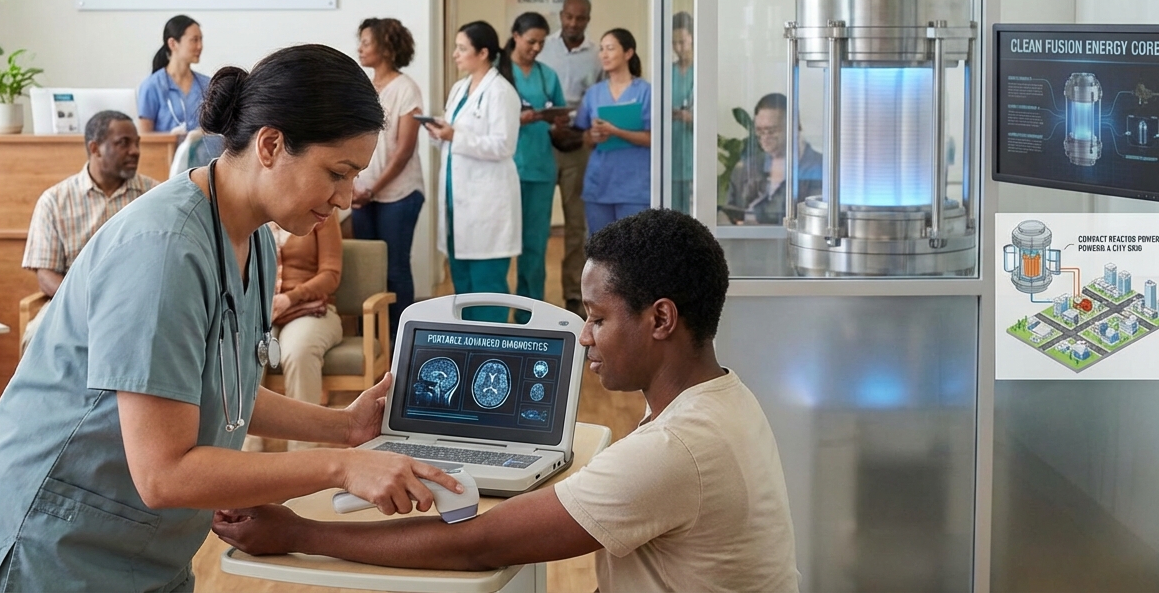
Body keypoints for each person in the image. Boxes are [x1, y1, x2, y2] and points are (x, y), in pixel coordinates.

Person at [0, 45, 463, 592]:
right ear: (270, 144)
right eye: (338, 173)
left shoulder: (255, 241)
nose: (347, 199)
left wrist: (344, 428)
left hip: (138, 550)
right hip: (46, 547)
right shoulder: (164, 250)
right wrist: (341, 466)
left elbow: (219, 388)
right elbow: (164, 472)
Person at [213, 209, 801, 593]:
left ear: (661, 319)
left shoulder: (676, 448)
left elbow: (480, 544)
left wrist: (300, 534)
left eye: (597, 318)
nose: (584, 335)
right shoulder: (723, 398)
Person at [19, 110, 157, 353]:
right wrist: (87, 304)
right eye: (123, 143)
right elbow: (46, 276)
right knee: (35, 338)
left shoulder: (154, 196)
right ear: (95, 148)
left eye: (136, 143)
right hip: (72, 305)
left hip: (138, 303)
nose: (135, 151)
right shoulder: (55, 201)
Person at [424, 21, 521, 324]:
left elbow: (504, 145)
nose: (455, 54)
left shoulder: (501, 92)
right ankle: (469, 348)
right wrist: (440, 133)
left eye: (461, 48)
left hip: (487, 207)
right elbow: (457, 142)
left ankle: (493, 353)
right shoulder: (460, 88)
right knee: (462, 288)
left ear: (483, 53)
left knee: (487, 288)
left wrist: (455, 137)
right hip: (459, 204)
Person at [351, 18, 424, 333]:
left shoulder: (406, 89)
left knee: (395, 269)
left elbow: (403, 151)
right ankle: (371, 342)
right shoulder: (362, 88)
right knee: (365, 272)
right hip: (362, 195)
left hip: (399, 196)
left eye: (366, 42)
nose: (360, 48)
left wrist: (373, 188)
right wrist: (353, 186)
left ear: (385, 47)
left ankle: (400, 343)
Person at [500, 12, 566, 318]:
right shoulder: (497, 73)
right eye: (531, 41)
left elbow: (560, 116)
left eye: (541, 42)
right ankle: (498, 315)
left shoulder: (547, 75)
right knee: (499, 248)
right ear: (515, 36)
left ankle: (530, 316)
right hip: (504, 171)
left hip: (539, 170)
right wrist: (517, 118)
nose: (536, 48)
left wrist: (558, 120)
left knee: (535, 248)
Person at [537, 0, 600, 318]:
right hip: (544, 145)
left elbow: (601, 98)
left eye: (581, 19)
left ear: (588, 19)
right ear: (561, 15)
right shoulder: (543, 48)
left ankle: (574, 295)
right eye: (569, 17)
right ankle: (533, 298)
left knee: (576, 225)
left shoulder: (597, 55)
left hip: (579, 146)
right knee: (537, 224)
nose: (574, 24)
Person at [268, 211, 344, 450]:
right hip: (262, 310)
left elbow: (331, 275)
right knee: (245, 349)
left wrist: (290, 298)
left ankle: (303, 450)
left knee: (299, 352)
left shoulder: (323, 214)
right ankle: (242, 448)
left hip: (312, 310)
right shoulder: (253, 215)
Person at [576, 29, 652, 237]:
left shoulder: (646, 92)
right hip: (599, 184)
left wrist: (616, 131)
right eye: (601, 49)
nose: (604, 55)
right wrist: (594, 136)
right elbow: (584, 137)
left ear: (628, 53)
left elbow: (653, 139)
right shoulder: (594, 93)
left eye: (610, 48)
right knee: (600, 251)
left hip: (635, 187)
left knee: (634, 252)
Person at [726, 93, 822, 225]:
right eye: (759, 131)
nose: (765, 137)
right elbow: (729, 218)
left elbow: (817, 221)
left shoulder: (821, 168)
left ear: (794, 127)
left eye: (771, 131)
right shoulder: (745, 168)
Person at [137, 14, 210, 133]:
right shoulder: (152, 87)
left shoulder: (207, 85)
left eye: (201, 40)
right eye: (194, 40)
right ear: (172, 43)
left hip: (202, 151)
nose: (200, 46)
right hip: (163, 151)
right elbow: (145, 139)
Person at [670, 12, 695, 213]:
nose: (678, 48)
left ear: (693, 38)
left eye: (683, 42)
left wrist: (687, 117)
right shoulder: (667, 73)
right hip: (671, 153)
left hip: (693, 155)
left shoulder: (701, 71)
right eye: (674, 43)